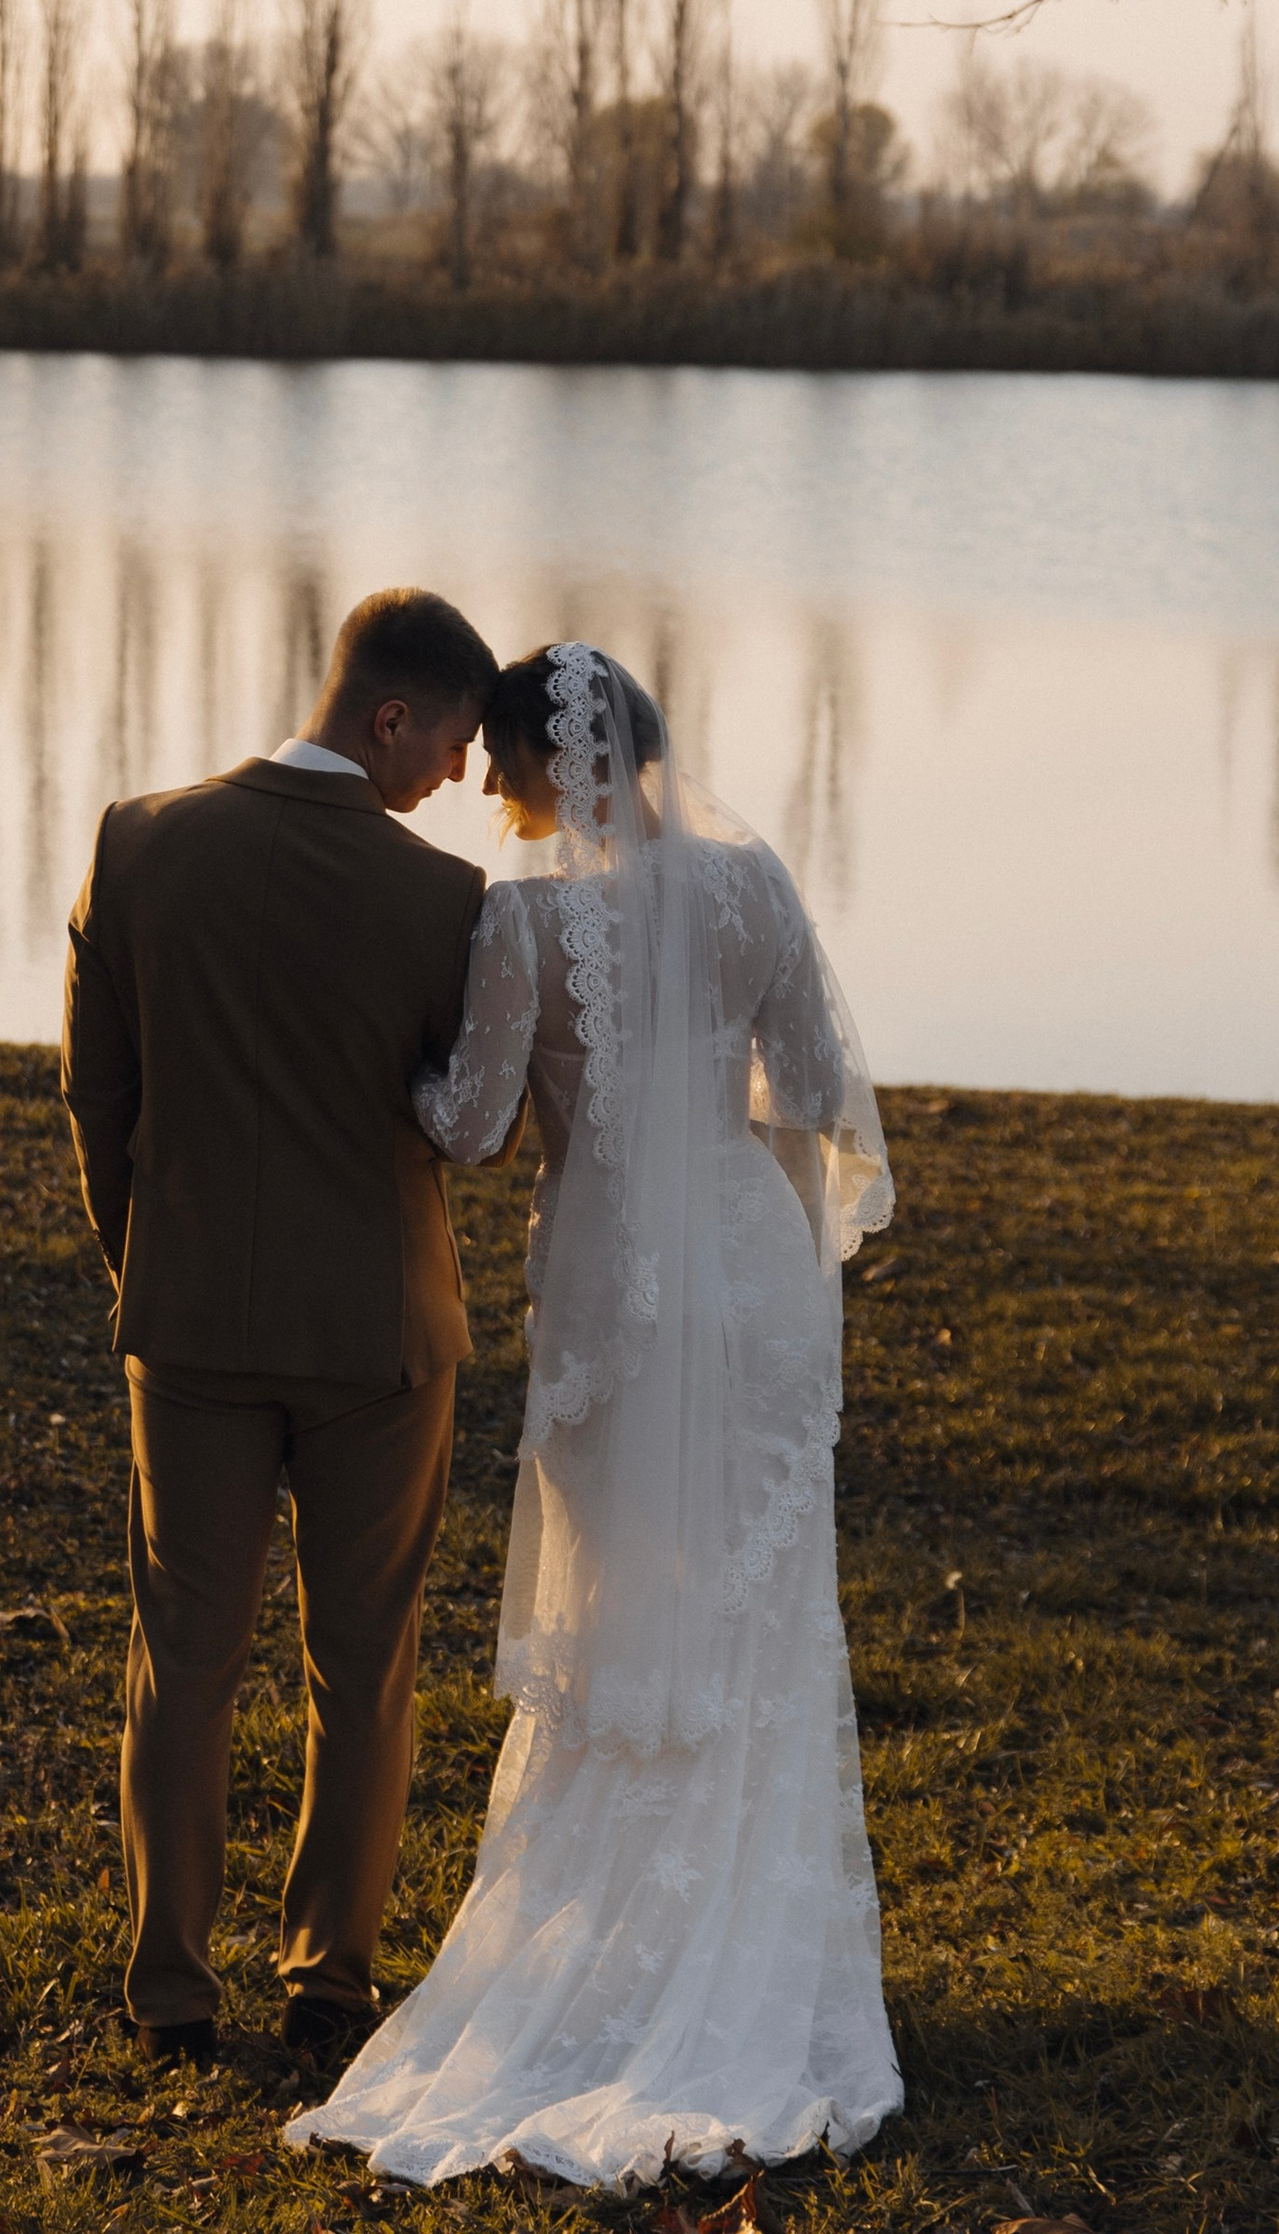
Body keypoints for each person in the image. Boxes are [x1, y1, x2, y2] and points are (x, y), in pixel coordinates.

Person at [290, 639, 900, 2191]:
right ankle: (754, 1940)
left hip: (621, 1297)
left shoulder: (528, 918)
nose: (489, 789)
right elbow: (820, 1085)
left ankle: (618, 1946)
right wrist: (704, 1116)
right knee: (755, 1608)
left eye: (503, 761)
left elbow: (477, 1124)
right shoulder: (755, 883)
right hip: (752, 1285)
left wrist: (388, 1070)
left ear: (556, 762)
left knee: (626, 1603)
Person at [61, 584, 499, 2074]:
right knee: (360, 1661)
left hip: (189, 1325)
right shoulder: (444, 904)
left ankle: (172, 1989)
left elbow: (95, 1093)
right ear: (390, 716)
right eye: (444, 746)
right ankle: (328, 1977)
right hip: (379, 1334)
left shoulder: (139, 842)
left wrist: (152, 1255)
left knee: (182, 1649)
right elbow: (459, 1110)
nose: (453, 778)